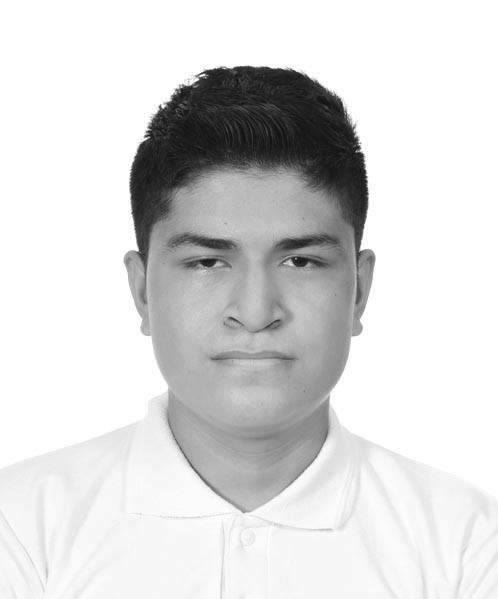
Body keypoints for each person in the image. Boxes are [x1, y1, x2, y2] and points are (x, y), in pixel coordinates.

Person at [0, 65, 496, 598]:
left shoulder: (465, 543)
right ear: (142, 290)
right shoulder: (24, 529)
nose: (256, 312)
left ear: (359, 289)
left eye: (301, 261)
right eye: (208, 262)